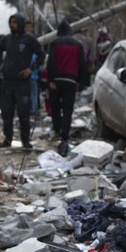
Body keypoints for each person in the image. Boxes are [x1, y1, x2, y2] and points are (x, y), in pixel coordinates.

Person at [0, 12, 44, 149]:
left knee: (24, 113)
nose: (12, 25)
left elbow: (41, 55)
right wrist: (0, 63)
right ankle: (7, 139)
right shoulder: (7, 39)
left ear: (21, 24)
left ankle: (25, 140)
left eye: (15, 22)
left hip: (22, 83)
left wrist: (31, 69)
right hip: (7, 82)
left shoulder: (29, 39)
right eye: (11, 22)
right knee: (7, 112)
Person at [47, 20, 90, 157]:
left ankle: (57, 128)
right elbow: (83, 64)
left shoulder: (54, 43)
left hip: (57, 80)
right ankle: (65, 136)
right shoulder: (78, 44)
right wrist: (81, 82)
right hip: (71, 81)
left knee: (55, 107)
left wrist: (50, 79)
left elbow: (51, 62)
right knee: (67, 110)